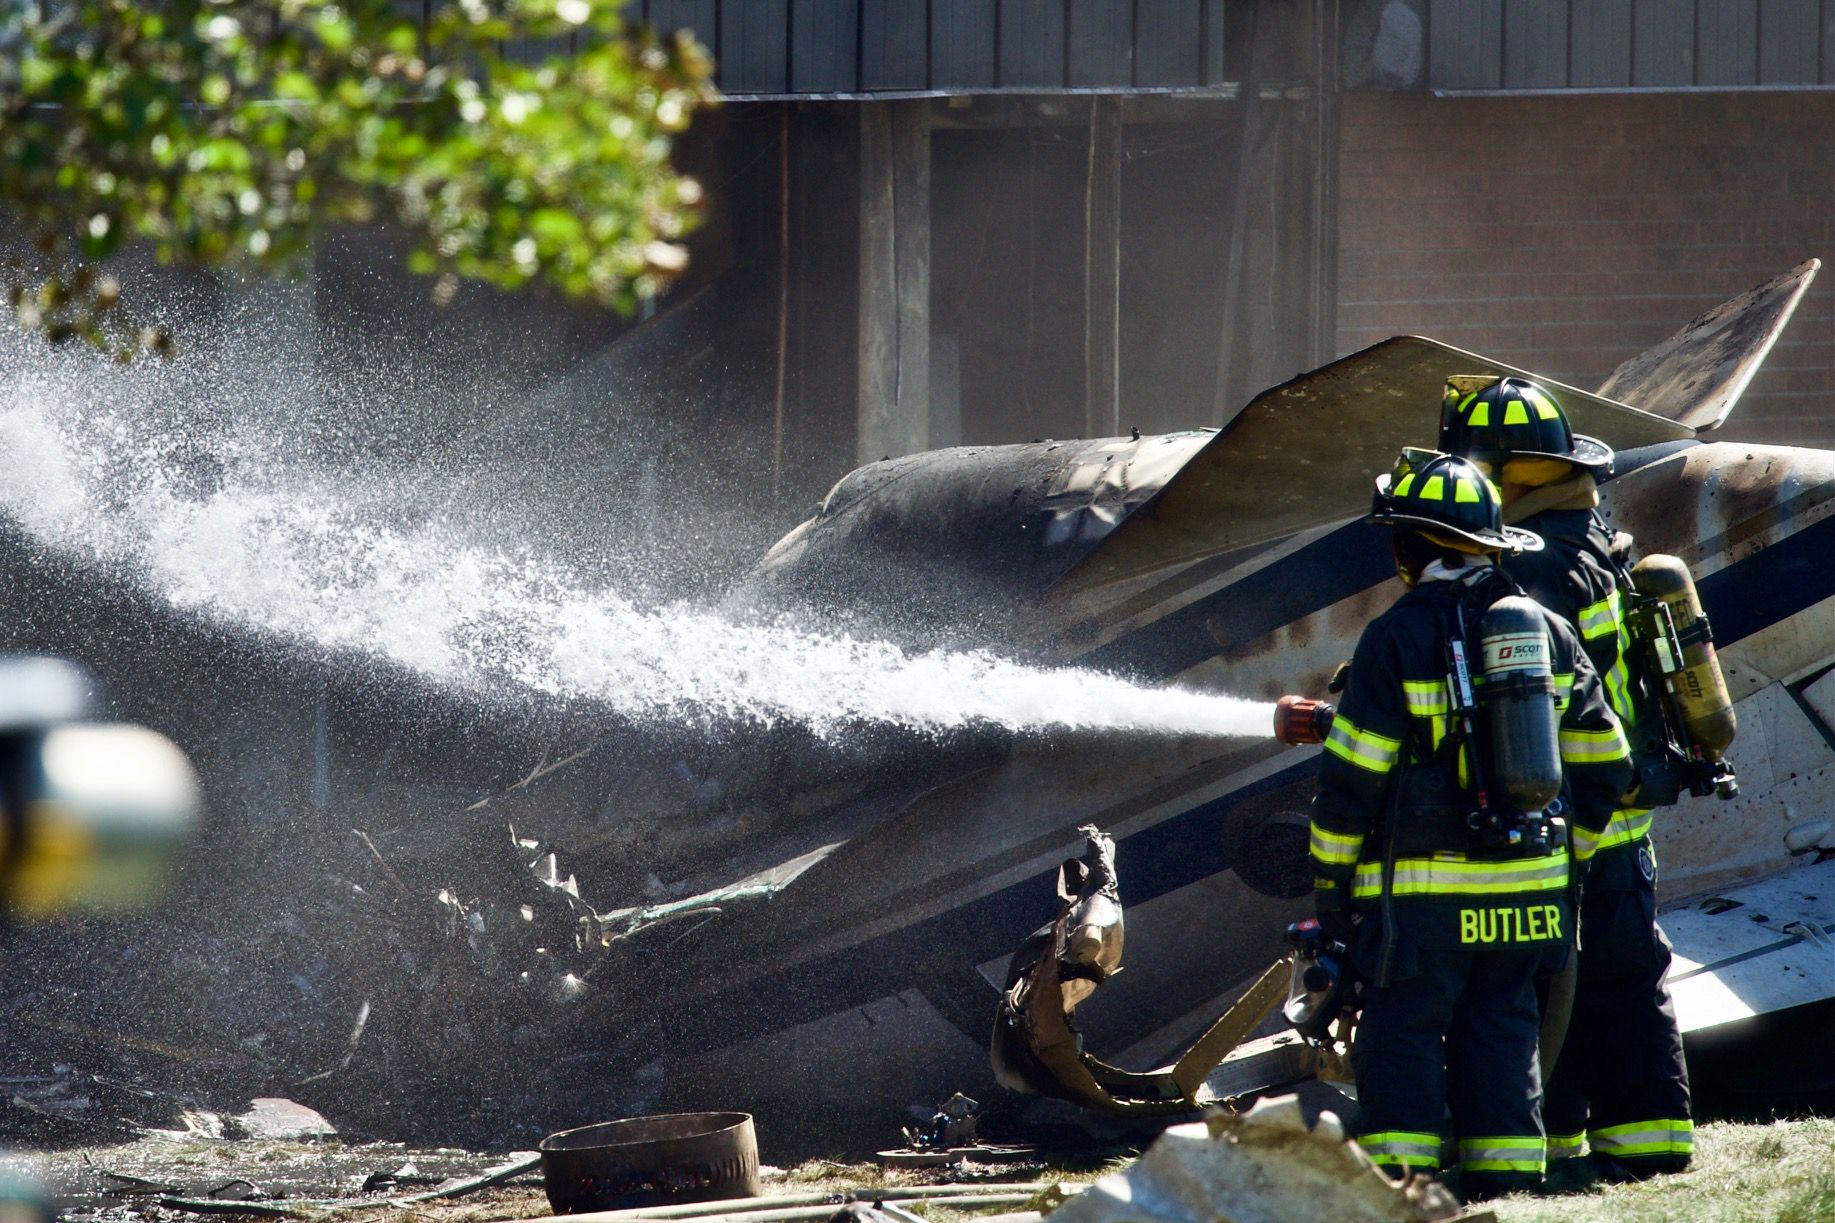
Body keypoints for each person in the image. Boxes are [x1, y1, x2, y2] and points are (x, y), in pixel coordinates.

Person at [1309, 449, 1633, 1200]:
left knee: (1403, 1035)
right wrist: (1569, 860)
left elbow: (1351, 779)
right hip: (1529, 897)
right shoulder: (1547, 631)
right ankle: (1507, 1186)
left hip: (1423, 905)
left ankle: (1403, 1188)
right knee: (1505, 1032)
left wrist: (1332, 887)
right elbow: (1607, 763)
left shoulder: (1394, 637)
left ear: (1409, 548)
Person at [1442, 375, 1694, 1181]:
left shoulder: (1535, 568)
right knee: (1613, 982)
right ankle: (1630, 1142)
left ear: (1502, 475)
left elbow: (1528, 695)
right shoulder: (1588, 537)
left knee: (1569, 983)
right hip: (1616, 808)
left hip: (1578, 812)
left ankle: (1628, 1147)